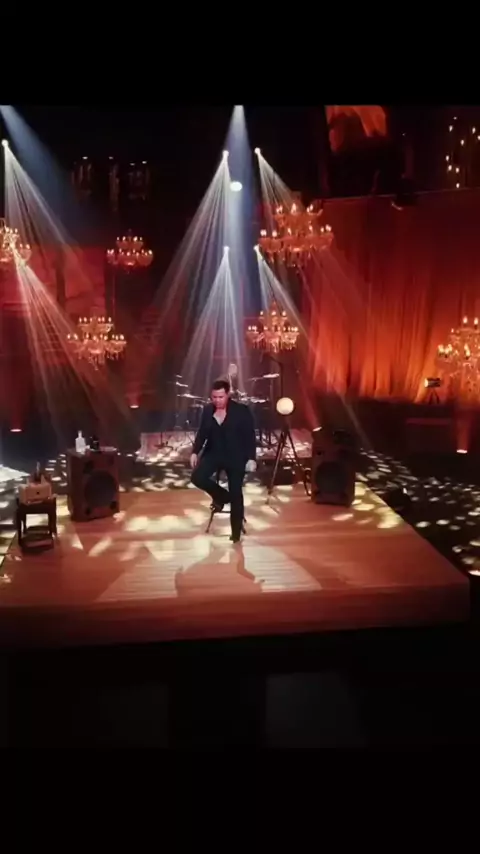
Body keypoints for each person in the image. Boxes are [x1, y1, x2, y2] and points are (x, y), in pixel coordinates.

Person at [190, 379, 257, 543]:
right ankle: (222, 496)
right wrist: (195, 452)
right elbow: (202, 433)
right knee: (197, 477)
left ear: (228, 395)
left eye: (221, 397)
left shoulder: (241, 411)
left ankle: (236, 534)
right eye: (214, 397)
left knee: (236, 492)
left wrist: (251, 458)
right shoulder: (208, 410)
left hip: (236, 456)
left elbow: (250, 436)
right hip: (214, 453)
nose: (217, 400)